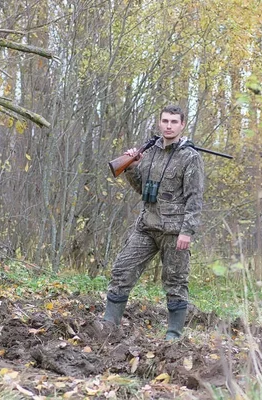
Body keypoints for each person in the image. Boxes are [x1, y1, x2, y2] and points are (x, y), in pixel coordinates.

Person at [103, 105, 204, 340]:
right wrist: (131, 166)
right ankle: (108, 326)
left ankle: (173, 336)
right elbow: (142, 188)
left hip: (174, 230)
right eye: (165, 121)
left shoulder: (190, 157)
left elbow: (195, 198)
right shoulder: (150, 151)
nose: (168, 126)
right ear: (159, 123)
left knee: (176, 282)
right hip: (147, 225)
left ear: (182, 125)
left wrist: (187, 232)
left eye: (174, 122)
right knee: (122, 270)